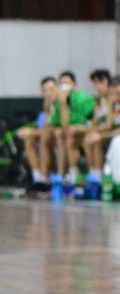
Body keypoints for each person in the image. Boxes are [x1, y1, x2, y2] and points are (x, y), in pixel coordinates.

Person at [51, 70, 95, 198]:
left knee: (72, 137)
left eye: (67, 83)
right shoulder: (60, 102)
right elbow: (62, 126)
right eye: (62, 84)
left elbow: (81, 123)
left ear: (75, 85)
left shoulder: (83, 99)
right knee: (63, 137)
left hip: (87, 132)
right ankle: (64, 178)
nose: (64, 87)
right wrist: (63, 103)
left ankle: (92, 177)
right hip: (72, 135)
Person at [17, 76, 60, 192]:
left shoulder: (63, 105)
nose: (48, 93)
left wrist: (32, 132)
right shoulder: (47, 106)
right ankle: (38, 178)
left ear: (58, 89)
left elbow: (54, 129)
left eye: (51, 89)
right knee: (30, 140)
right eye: (45, 91)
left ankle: (46, 177)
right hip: (48, 139)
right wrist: (30, 133)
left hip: (60, 139)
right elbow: (45, 127)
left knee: (42, 138)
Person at [79, 69, 113, 198]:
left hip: (111, 133)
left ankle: (98, 178)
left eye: (99, 83)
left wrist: (95, 131)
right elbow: (94, 122)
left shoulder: (111, 99)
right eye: (95, 84)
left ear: (106, 82)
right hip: (101, 132)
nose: (97, 87)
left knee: (96, 140)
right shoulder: (99, 102)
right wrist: (87, 130)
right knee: (87, 139)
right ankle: (93, 174)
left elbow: (109, 125)